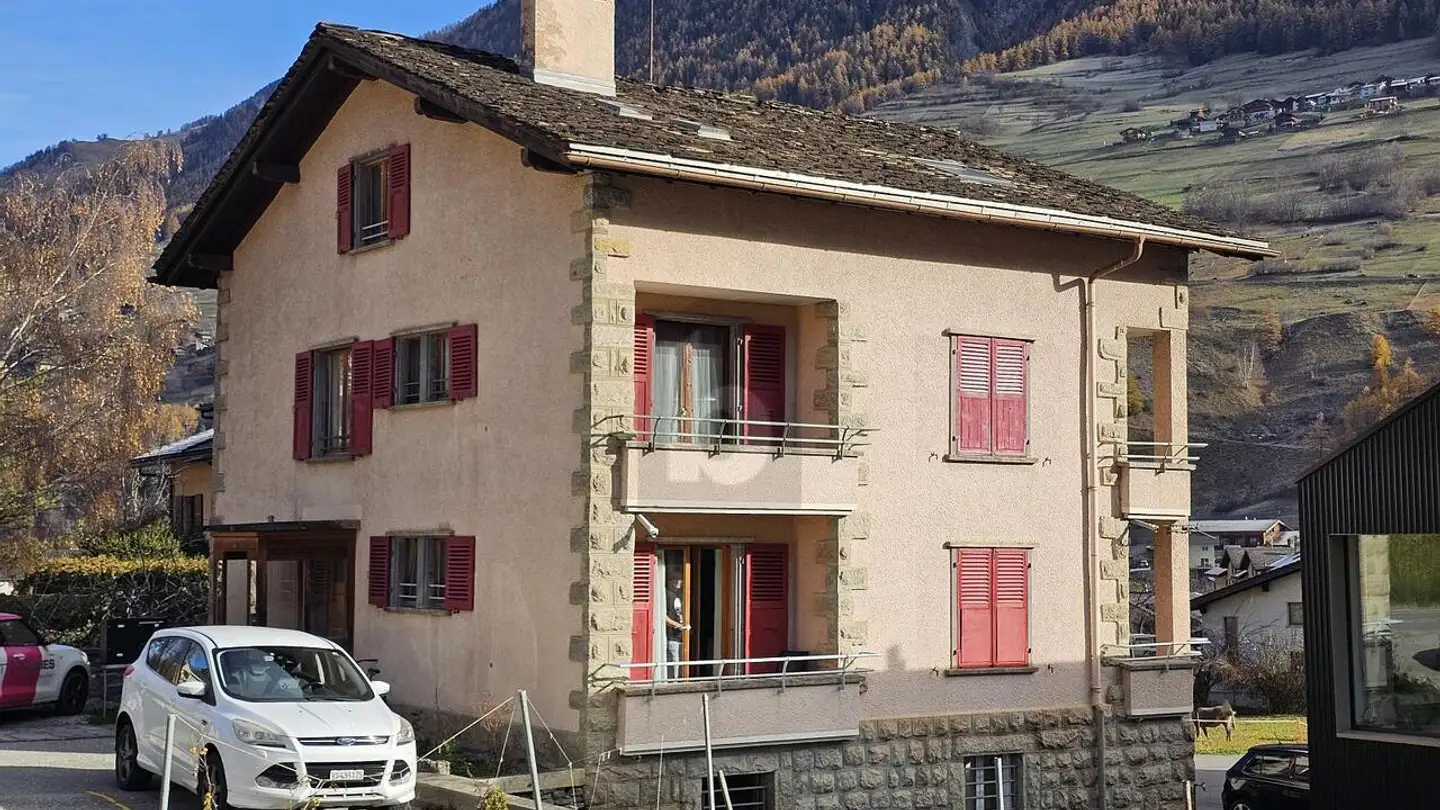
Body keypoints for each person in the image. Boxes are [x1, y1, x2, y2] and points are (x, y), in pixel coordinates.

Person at [664, 568, 689, 679]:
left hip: (681, 637)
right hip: (672, 637)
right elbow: (662, 616)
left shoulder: (678, 595)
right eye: (675, 579)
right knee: (674, 667)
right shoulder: (667, 595)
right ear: (669, 581)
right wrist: (679, 626)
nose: (679, 581)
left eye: (680, 579)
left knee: (680, 667)